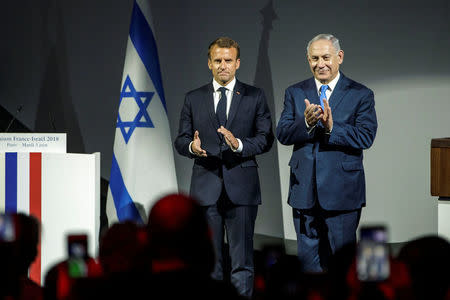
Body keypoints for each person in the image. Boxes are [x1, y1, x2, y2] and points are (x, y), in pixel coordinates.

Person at [174, 36, 274, 298]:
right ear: (209, 63)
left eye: (228, 60)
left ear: (238, 63)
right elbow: (181, 140)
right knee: (210, 264)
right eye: (217, 60)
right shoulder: (193, 98)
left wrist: (239, 144)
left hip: (242, 190)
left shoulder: (254, 96)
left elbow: (266, 138)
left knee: (242, 263)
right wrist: (191, 148)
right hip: (206, 189)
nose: (223, 65)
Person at [276, 33, 377, 273]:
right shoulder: (295, 92)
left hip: (342, 193)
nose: (320, 64)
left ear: (339, 57)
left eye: (326, 57)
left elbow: (366, 136)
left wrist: (332, 128)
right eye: (314, 58)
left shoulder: (360, 94)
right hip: (304, 192)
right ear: (308, 60)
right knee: (308, 267)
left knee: (343, 266)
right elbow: (283, 133)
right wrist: (307, 123)